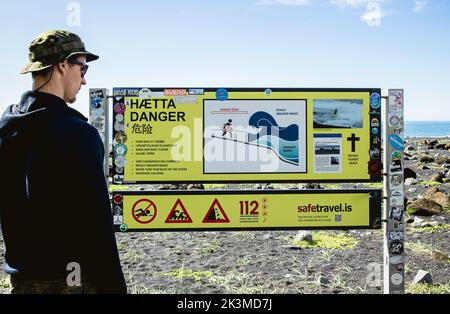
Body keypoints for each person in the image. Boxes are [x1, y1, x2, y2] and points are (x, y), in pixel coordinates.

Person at [0, 30, 126, 294]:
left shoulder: (7, 128)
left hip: (22, 281)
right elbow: (96, 225)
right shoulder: (77, 134)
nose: (84, 79)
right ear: (62, 65)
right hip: (70, 280)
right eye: (82, 68)